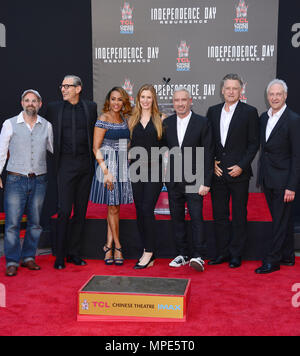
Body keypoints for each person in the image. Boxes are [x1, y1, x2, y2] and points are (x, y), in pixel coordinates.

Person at [206, 74, 260, 268]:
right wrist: (212, 163)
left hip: (239, 174)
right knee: (219, 215)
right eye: (227, 88)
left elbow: (254, 143)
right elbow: (208, 142)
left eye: (234, 88)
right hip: (218, 174)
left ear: (241, 90)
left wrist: (242, 166)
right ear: (222, 90)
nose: (230, 91)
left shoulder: (249, 112)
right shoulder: (212, 112)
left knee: (239, 215)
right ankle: (222, 253)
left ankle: (236, 254)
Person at [46, 75, 98, 269]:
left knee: (81, 211)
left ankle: (74, 254)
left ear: (78, 88)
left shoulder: (91, 107)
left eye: (68, 86)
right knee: (64, 210)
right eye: (62, 86)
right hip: (65, 165)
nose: (63, 89)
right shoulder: (53, 108)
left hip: (85, 165)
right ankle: (60, 256)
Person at [0, 90, 53, 276]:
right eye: (27, 100)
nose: (30, 103)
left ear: (39, 104)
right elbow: (1, 151)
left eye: (34, 101)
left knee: (36, 222)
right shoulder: (9, 124)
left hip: (39, 179)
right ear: (22, 103)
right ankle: (13, 261)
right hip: (15, 179)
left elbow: (54, 149)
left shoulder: (46, 125)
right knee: (13, 223)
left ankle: (29, 257)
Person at [163, 87, 214, 272]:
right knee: (177, 218)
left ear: (190, 101)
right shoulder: (166, 123)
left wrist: (206, 181)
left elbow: (208, 153)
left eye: (184, 100)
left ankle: (199, 256)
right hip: (174, 181)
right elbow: (162, 149)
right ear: (173, 102)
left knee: (197, 218)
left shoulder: (202, 122)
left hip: (195, 180)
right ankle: (182, 254)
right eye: (177, 100)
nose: (180, 103)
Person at [256, 79, 300, 274]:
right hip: (268, 178)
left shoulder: (293, 119)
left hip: (284, 181)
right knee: (282, 219)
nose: (274, 97)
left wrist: (291, 185)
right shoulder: (264, 117)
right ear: (268, 97)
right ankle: (288, 256)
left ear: (285, 96)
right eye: (272, 94)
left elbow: (297, 155)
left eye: (278, 94)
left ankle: (272, 260)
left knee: (279, 221)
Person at [90, 87, 133, 266]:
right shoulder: (103, 118)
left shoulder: (125, 119)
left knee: (114, 207)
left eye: (120, 99)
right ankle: (118, 246)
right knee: (113, 207)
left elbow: (127, 143)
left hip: (122, 166)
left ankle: (108, 246)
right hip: (107, 167)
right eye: (113, 99)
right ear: (109, 100)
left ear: (124, 102)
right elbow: (95, 147)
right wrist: (106, 172)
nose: (116, 103)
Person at [128, 84, 167, 269]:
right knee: (139, 210)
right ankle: (146, 248)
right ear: (138, 99)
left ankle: (149, 251)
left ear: (154, 100)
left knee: (146, 208)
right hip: (135, 170)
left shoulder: (161, 119)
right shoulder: (131, 120)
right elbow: (126, 145)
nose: (145, 100)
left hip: (155, 170)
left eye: (149, 97)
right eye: (142, 97)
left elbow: (168, 147)